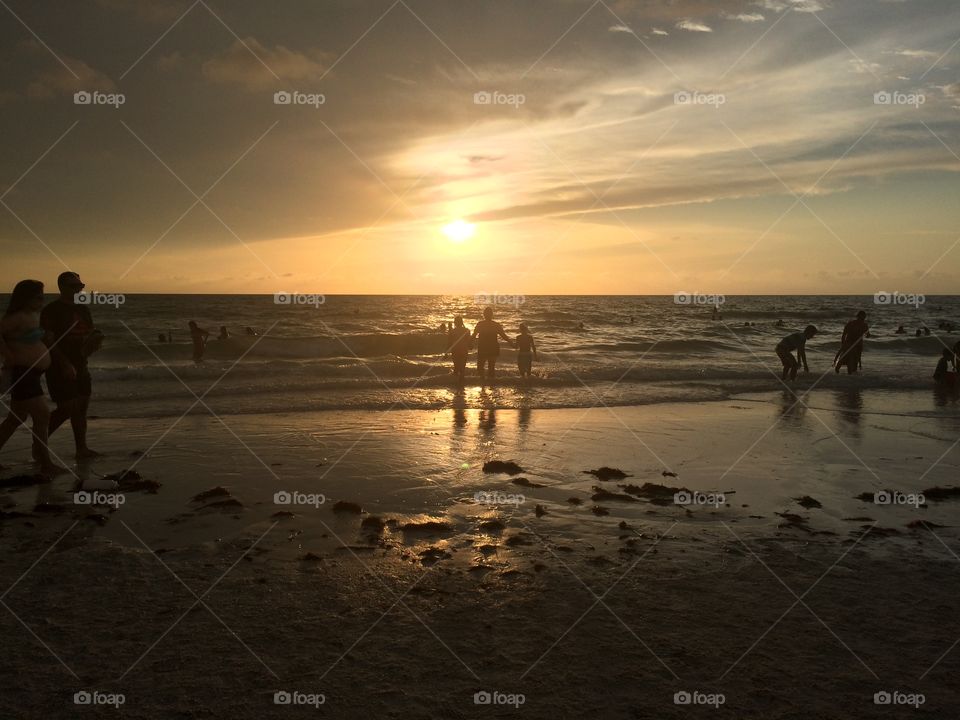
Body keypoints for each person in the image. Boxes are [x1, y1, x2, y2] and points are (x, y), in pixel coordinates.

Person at [0, 280, 66, 476]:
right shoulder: (17, 317)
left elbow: (25, 339)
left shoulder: (32, 316)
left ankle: (45, 462)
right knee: (42, 416)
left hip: (32, 374)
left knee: (16, 418)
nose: (41, 301)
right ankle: (46, 463)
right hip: (23, 373)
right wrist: (7, 355)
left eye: (43, 297)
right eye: (38, 297)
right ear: (25, 297)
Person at [40, 271, 100, 459]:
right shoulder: (51, 310)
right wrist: (64, 362)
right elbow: (48, 340)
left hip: (81, 362)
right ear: (62, 288)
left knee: (81, 407)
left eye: (80, 286)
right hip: (58, 365)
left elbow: (88, 333)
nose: (78, 290)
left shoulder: (83, 309)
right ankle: (38, 443)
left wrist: (94, 341)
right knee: (66, 408)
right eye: (73, 286)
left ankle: (81, 449)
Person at [472, 307, 512, 381]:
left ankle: (483, 385)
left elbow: (473, 336)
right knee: (491, 367)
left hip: (483, 348)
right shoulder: (496, 325)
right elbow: (504, 336)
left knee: (480, 367)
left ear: (484, 315)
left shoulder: (480, 324)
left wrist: (469, 344)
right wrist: (511, 343)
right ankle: (491, 385)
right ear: (492, 315)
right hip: (493, 348)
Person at [835, 310, 868, 375]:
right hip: (852, 345)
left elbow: (844, 334)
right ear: (859, 317)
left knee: (852, 361)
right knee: (848, 361)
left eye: (864, 318)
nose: (863, 319)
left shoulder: (862, 325)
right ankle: (848, 376)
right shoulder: (855, 324)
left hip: (854, 345)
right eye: (862, 318)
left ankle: (849, 377)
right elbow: (844, 334)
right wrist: (843, 344)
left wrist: (843, 344)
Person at [446, 316, 471, 384]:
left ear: (455, 323)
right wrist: (470, 346)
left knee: (456, 367)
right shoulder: (467, 330)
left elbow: (449, 343)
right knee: (462, 368)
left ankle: (456, 383)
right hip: (464, 351)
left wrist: (446, 352)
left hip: (455, 351)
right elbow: (469, 342)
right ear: (462, 322)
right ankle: (461, 383)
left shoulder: (452, 331)